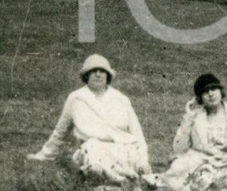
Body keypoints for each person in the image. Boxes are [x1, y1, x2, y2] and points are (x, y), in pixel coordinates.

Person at [27, 54, 151, 184]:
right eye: (93, 71)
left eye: (102, 71)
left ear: (108, 75)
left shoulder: (121, 99)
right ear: (86, 75)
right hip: (93, 149)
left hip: (122, 149)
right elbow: (59, 133)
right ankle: (121, 180)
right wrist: (42, 156)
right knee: (94, 159)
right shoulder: (76, 99)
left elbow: (137, 134)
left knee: (131, 159)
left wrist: (144, 161)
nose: (98, 74)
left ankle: (127, 179)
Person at [145, 73, 227, 191]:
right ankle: (166, 190)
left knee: (226, 178)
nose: (210, 94)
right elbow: (178, 148)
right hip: (199, 160)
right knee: (180, 165)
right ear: (199, 98)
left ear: (220, 91)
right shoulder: (195, 116)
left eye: (213, 89)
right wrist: (189, 117)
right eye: (205, 92)